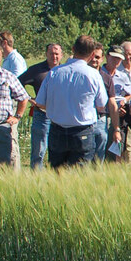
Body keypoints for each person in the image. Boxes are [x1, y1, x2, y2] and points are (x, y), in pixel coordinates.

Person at [34, 36, 108, 169]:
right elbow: (102, 104)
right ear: (92, 55)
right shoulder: (93, 75)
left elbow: (40, 103)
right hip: (83, 131)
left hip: (57, 130)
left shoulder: (54, 73)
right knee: (80, 175)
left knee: (57, 173)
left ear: (73, 49)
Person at [19, 43, 63, 168]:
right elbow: (17, 83)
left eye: (56, 54)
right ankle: (36, 177)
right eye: (51, 53)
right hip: (41, 115)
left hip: (60, 116)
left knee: (58, 150)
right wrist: (29, 98)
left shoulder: (65, 70)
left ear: (61, 55)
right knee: (39, 150)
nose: (54, 56)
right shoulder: (36, 70)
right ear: (46, 54)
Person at [0, 44, 29, 169]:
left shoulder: (8, 76)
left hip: (2, 125)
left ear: (2, 58)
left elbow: (23, 97)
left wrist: (17, 116)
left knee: (4, 164)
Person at [88, 45, 120, 163]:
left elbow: (112, 103)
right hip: (83, 121)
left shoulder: (106, 78)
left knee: (99, 157)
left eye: (97, 57)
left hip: (101, 120)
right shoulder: (81, 75)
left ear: (102, 59)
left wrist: (116, 128)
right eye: (92, 56)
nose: (94, 60)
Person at [100, 45, 131, 162]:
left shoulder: (123, 76)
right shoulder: (98, 74)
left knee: (116, 150)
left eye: (119, 58)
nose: (116, 61)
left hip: (119, 115)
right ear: (107, 57)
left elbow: (130, 93)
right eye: (113, 58)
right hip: (102, 114)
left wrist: (124, 101)